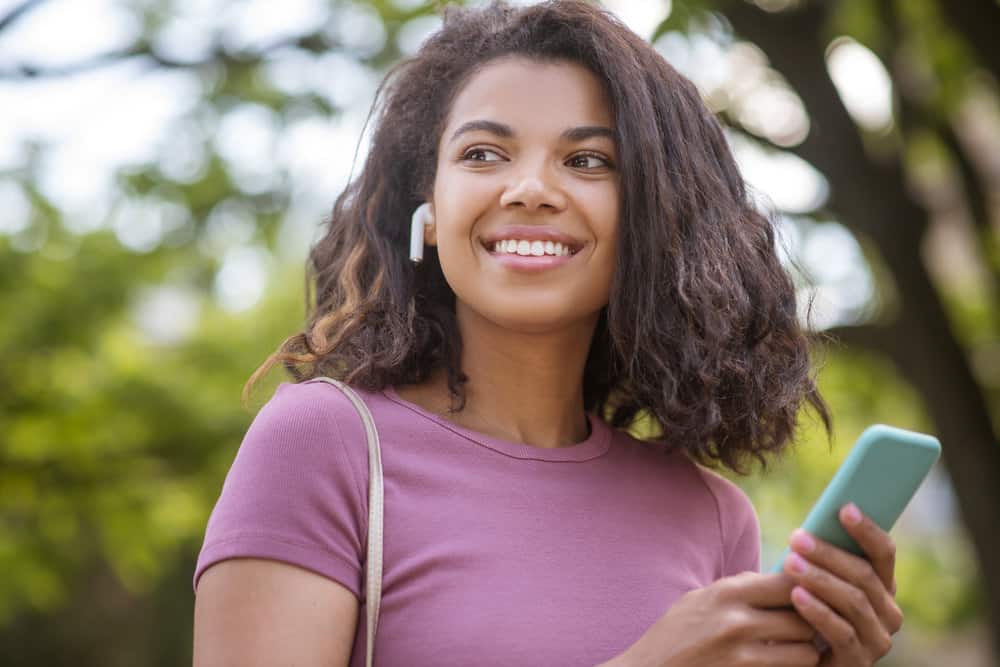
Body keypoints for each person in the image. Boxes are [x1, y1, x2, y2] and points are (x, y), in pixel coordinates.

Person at [192, 1, 903, 665]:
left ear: (648, 218)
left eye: (587, 161)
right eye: (482, 154)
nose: (530, 187)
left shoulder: (712, 517)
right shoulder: (325, 444)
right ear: (429, 208)